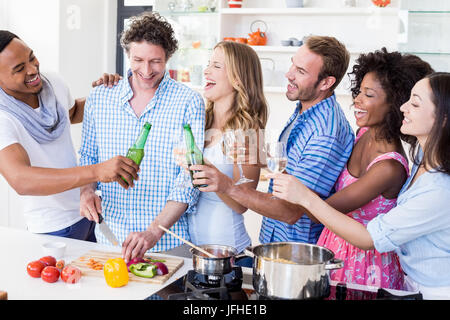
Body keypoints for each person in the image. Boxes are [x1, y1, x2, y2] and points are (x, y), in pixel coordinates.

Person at [269, 72, 450, 300]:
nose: (403, 107)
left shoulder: (439, 189)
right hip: (410, 282)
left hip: (435, 291)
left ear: (443, 118)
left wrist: (304, 197)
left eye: (414, 103)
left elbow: (369, 239)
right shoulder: (422, 156)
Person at [191, 35, 354, 245]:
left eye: (300, 71)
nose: (289, 74)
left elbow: (292, 211)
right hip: (276, 246)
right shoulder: (303, 113)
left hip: (297, 254)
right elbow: (288, 178)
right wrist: (267, 160)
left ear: (326, 82)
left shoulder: (326, 132)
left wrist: (227, 186)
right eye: (293, 65)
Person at [78, 12, 205, 261]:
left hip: (168, 244)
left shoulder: (188, 102)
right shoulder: (100, 98)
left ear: (168, 57)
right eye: (138, 60)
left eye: (155, 61)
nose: (146, 70)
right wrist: (86, 192)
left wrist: (152, 232)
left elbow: (189, 177)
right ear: (127, 55)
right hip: (109, 240)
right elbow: (88, 156)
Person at [0, 31, 138, 241]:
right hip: (52, 226)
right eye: (19, 69)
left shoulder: (51, 82)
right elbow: (21, 179)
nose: (32, 69)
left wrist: (106, 92)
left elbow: (71, 113)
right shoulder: (3, 118)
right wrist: (97, 171)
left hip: (88, 209)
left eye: (31, 57)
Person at [313, 49, 433, 290]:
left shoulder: (389, 167)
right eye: (359, 91)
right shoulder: (363, 133)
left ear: (395, 104)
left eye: (368, 95)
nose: (357, 99)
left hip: (364, 266)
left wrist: (293, 192)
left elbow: (326, 209)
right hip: (333, 248)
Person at [183, 41, 267, 256]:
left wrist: (216, 178)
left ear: (238, 79)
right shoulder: (198, 120)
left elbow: (242, 205)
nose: (207, 70)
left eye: (217, 66)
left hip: (228, 254)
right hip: (190, 251)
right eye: (208, 64)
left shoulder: (249, 131)